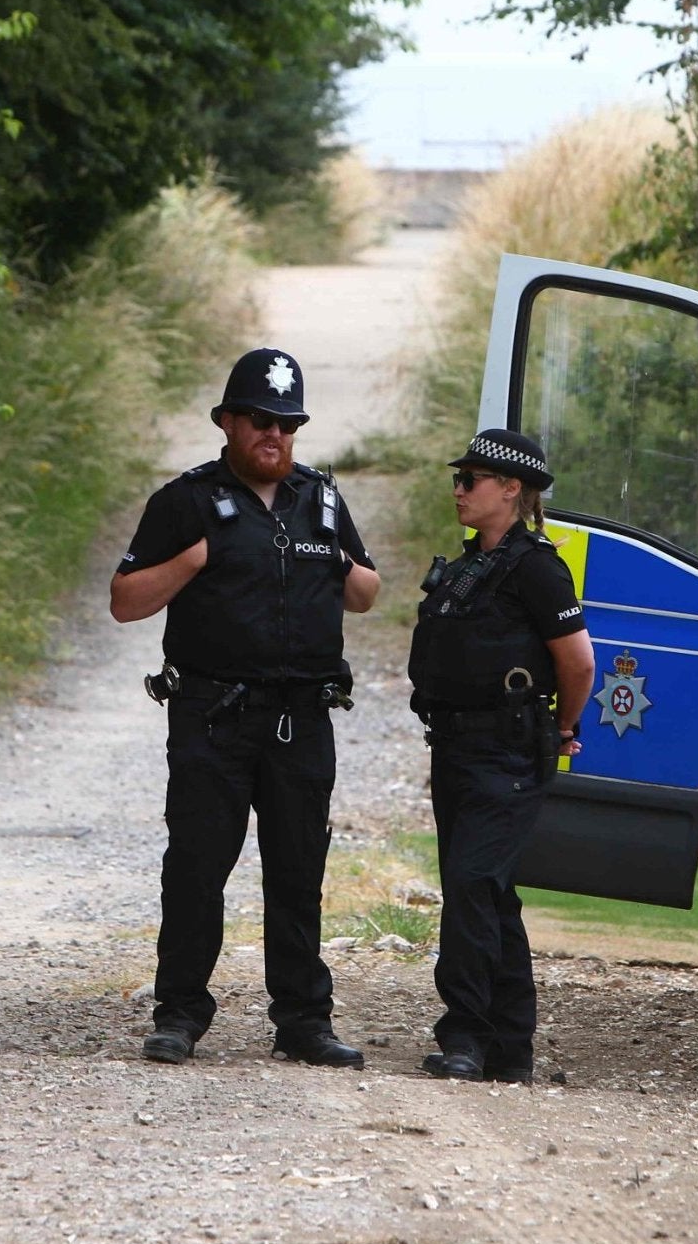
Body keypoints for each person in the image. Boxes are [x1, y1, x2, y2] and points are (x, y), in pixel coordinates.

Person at [110, 347, 380, 1068]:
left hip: (302, 717)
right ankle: (180, 1012)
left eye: (288, 424)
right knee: (198, 866)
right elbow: (124, 599)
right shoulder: (187, 501)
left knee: (298, 870)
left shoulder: (320, 499)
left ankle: (302, 1019)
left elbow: (366, 589)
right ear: (228, 422)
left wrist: (336, 564)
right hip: (214, 715)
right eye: (261, 420)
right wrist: (192, 561)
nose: (275, 435)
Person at [407, 428, 595, 1083]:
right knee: (489, 893)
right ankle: (511, 1046)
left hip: (508, 750)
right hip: (454, 746)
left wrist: (562, 724)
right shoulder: (467, 568)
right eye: (457, 479)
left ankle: (465, 1034)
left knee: (471, 884)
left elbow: (578, 660)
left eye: (472, 479)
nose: (459, 489)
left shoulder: (538, 568)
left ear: (511, 489)